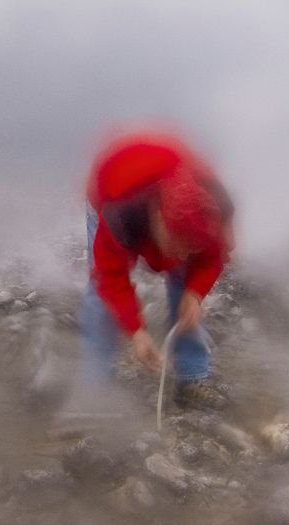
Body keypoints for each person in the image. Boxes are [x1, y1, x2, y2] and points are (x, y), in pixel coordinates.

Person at [80, 130, 235, 408]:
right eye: (178, 243)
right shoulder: (119, 215)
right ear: (158, 217)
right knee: (100, 291)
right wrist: (136, 332)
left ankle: (193, 374)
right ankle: (95, 383)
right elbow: (110, 276)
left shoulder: (212, 211)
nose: (183, 254)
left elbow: (213, 256)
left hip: (172, 163)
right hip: (112, 178)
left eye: (192, 247)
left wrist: (195, 292)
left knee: (186, 287)